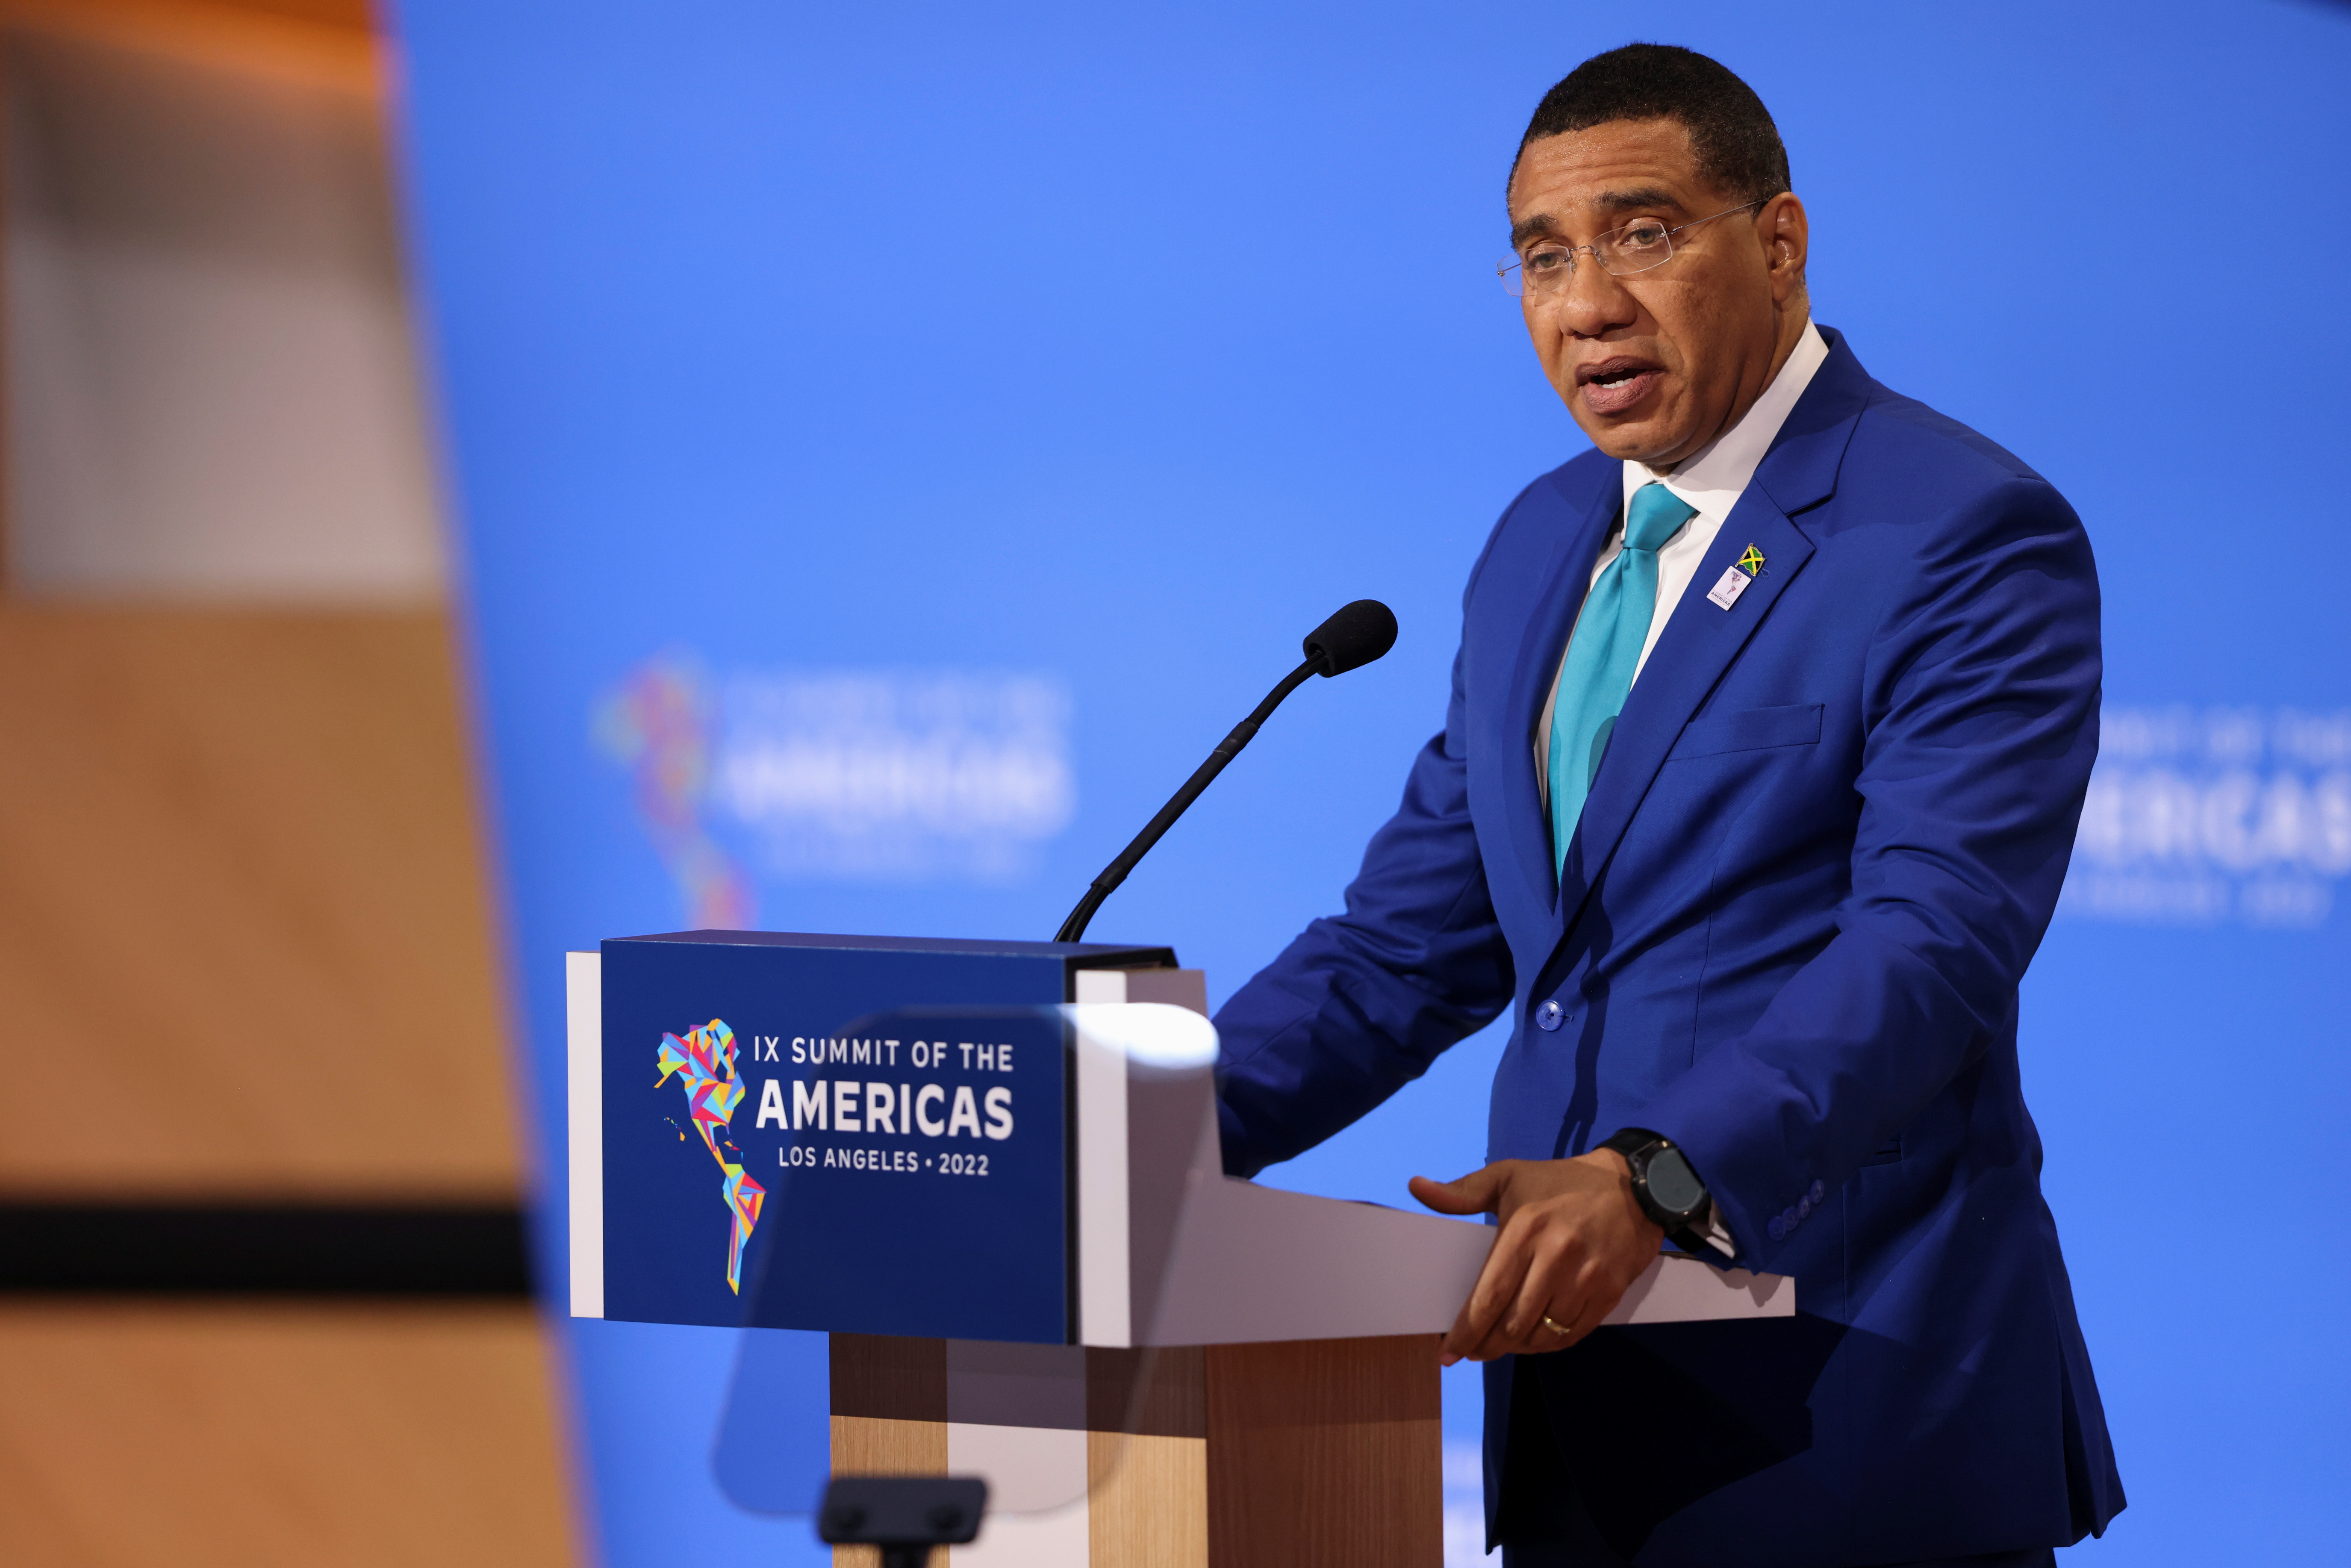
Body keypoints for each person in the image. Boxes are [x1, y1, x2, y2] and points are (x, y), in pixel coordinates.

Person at [1210, 43, 2124, 1568]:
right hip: (1574, 1404)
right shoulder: (1541, 541)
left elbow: (1933, 941)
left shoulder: (1957, 531)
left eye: (1643, 235)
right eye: (1542, 256)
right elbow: (1406, 949)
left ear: (1778, 242)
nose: (1585, 305)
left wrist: (1658, 1174)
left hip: (1842, 1407)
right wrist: (1136, 1130)